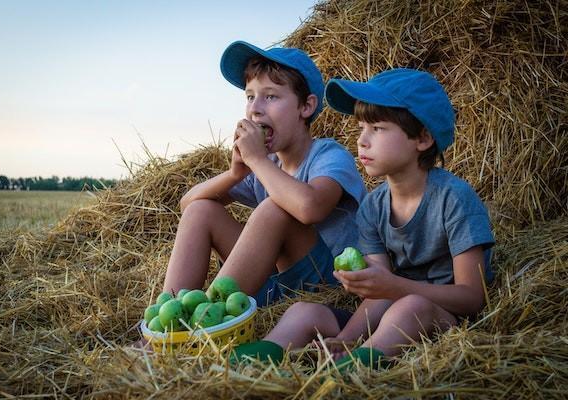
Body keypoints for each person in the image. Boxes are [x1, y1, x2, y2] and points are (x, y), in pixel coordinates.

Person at [231, 68, 495, 372]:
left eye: (378, 129)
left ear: (422, 138)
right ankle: (244, 369)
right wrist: (344, 338)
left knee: (409, 307)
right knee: (302, 312)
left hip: (443, 318)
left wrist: (394, 287)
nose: (362, 141)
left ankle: (344, 376)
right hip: (388, 311)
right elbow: (380, 294)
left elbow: (472, 298)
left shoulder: (454, 199)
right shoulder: (373, 206)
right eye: (361, 128)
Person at [162, 40, 367, 307]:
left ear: (305, 107)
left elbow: (310, 208)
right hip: (274, 287)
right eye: (250, 96)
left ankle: (205, 321)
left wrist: (257, 160)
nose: (255, 108)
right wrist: (235, 172)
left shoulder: (328, 155)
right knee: (202, 211)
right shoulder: (265, 164)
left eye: (270, 96)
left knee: (275, 209)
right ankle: (164, 320)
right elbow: (188, 204)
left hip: (327, 288)